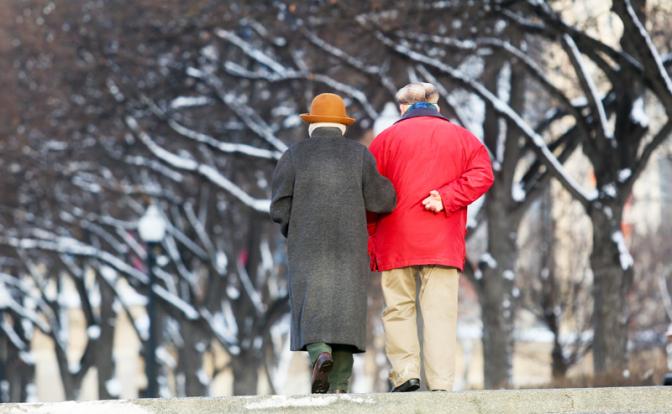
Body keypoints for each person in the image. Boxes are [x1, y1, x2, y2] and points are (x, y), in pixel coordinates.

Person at [368, 82, 494, 392]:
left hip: (394, 239)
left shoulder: (383, 141)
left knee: (398, 308)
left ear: (402, 107)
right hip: (441, 240)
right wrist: (448, 197)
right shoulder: (463, 138)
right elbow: (483, 174)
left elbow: (369, 193)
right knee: (440, 311)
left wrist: (373, 241)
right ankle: (440, 384)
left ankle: (405, 374)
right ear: (436, 105)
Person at [270, 93, 396, 393]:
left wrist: (295, 228)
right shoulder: (359, 155)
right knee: (345, 312)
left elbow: (278, 207)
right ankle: (339, 383)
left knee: (312, 304)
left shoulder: (293, 155)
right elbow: (382, 200)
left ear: (312, 124)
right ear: (343, 125)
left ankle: (319, 354)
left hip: (307, 248)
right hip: (349, 249)